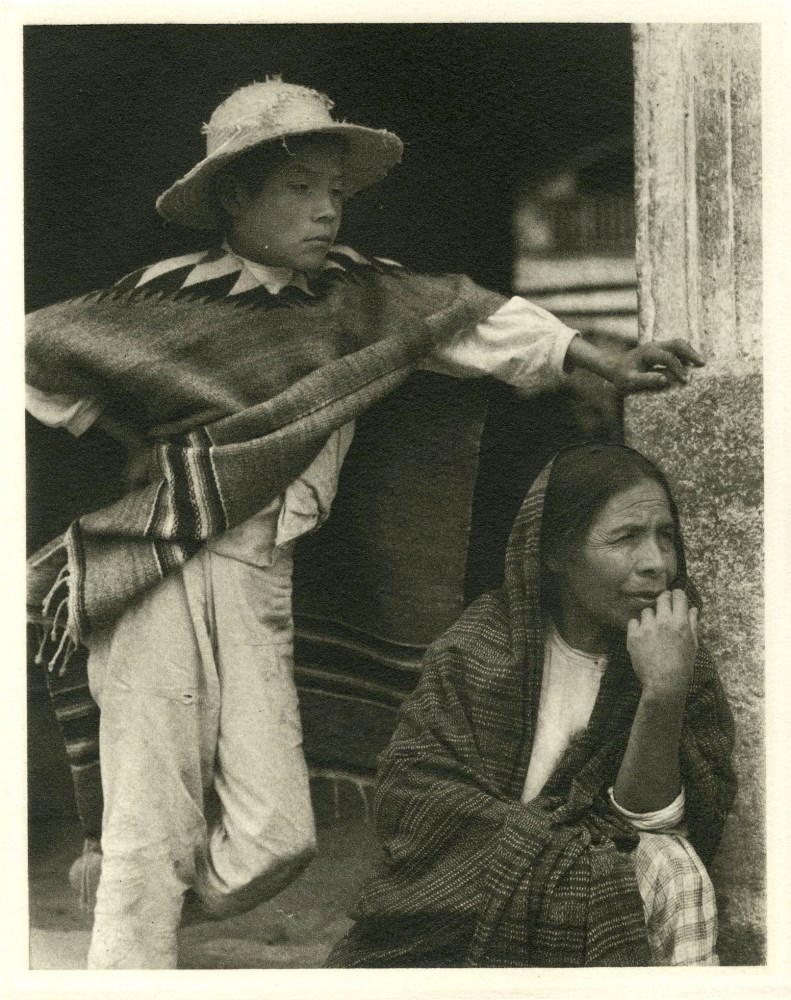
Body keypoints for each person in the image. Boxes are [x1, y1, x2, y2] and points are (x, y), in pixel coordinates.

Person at [26, 79, 704, 970]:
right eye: (298, 188)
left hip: (263, 572)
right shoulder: (163, 296)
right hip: (159, 564)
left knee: (276, 836)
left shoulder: (360, 295)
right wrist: (144, 437)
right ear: (234, 195)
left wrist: (596, 357)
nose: (324, 210)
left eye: (335, 191)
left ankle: (119, 883)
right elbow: (35, 354)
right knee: (155, 818)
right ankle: (126, 930)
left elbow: (476, 320)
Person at [326, 443, 736, 968]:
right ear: (554, 552)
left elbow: (650, 827)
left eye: (666, 537)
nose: (656, 563)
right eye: (626, 537)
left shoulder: (678, 659)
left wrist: (663, 691)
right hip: (462, 903)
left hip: (598, 891)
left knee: (676, 871)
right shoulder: (478, 650)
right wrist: (559, 861)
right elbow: (415, 803)